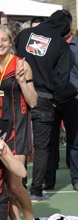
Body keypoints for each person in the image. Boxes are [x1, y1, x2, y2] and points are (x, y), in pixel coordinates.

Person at [15, 10, 73, 201]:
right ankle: (36, 190)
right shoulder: (61, 45)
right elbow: (62, 80)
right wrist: (56, 99)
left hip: (20, 92)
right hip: (44, 97)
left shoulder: (24, 35)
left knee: (19, 144)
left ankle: (19, 185)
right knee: (41, 147)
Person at [0, 25, 40, 220]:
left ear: (10, 41)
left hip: (18, 128)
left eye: (4, 40)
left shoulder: (21, 64)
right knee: (3, 183)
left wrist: (21, 82)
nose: (0, 44)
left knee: (15, 182)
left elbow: (33, 101)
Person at [44, 10, 78, 192]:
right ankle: (48, 180)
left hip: (72, 98)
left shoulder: (76, 46)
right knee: (50, 142)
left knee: (75, 140)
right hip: (51, 99)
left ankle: (76, 178)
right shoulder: (49, 44)